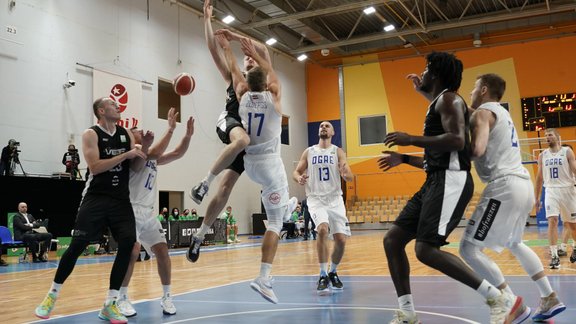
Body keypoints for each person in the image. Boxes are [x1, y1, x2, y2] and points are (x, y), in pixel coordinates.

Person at [377, 52, 519, 324]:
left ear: (437, 73)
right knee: (392, 240)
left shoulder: (451, 99)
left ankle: (499, 299)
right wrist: (404, 159)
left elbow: (455, 141)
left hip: (451, 181)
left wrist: (410, 140)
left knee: (425, 249)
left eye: (427, 68)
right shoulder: (442, 102)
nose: (423, 72)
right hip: (436, 179)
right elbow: (436, 158)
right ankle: (407, 312)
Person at [459, 73, 565, 322]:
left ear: (484, 90)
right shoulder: (502, 113)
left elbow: (477, 149)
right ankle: (548, 297)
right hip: (523, 183)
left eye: (474, 87)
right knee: (515, 243)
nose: (471, 92)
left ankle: (509, 303)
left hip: (504, 187)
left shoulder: (483, 112)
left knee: (468, 248)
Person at [34, 97, 148, 323]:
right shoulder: (91, 134)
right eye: (113, 105)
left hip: (120, 200)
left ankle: (110, 303)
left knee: (128, 244)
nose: (118, 107)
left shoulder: (125, 133)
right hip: (96, 198)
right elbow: (95, 167)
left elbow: (134, 166)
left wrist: (142, 151)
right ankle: (51, 295)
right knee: (77, 246)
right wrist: (126, 154)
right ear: (101, 110)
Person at [186, 0, 283, 263]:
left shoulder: (264, 85)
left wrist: (238, 37)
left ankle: (199, 236)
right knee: (241, 139)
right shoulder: (234, 77)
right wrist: (207, 20)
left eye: (252, 56)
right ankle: (203, 183)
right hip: (231, 123)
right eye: (246, 57)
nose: (249, 57)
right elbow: (212, 48)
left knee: (226, 186)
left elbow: (263, 48)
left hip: (254, 145)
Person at [216, 33, 294, 304]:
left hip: (251, 164)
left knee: (278, 211)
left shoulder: (242, 96)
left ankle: (286, 205)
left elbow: (236, 72)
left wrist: (227, 48)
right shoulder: (274, 97)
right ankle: (263, 277)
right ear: (268, 84)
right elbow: (270, 72)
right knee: (275, 223)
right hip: (271, 166)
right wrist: (256, 52)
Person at [116, 108, 195, 317]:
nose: (139, 129)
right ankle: (121, 297)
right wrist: (169, 129)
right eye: (135, 129)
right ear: (129, 137)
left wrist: (187, 135)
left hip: (148, 213)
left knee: (162, 251)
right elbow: (155, 152)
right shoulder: (133, 154)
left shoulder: (151, 155)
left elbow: (178, 153)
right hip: (129, 210)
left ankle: (167, 295)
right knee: (132, 251)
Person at [293, 121, 354, 295]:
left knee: (341, 240)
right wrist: (299, 178)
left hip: (335, 199)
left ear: (333, 132)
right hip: (316, 198)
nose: (323, 127)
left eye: (327, 126)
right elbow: (296, 172)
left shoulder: (338, 151)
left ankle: (333, 272)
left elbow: (350, 176)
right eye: (321, 126)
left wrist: (345, 174)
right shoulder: (309, 151)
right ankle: (322, 274)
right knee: (322, 230)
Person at [534, 128, 576, 268]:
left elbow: (575, 169)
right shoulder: (542, 155)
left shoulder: (567, 152)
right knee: (552, 220)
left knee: (572, 225)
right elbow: (539, 178)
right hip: (551, 190)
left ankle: (575, 247)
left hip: (568, 190)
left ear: (558, 137)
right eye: (545, 136)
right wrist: (537, 197)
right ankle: (554, 256)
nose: (547, 137)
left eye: (550, 135)